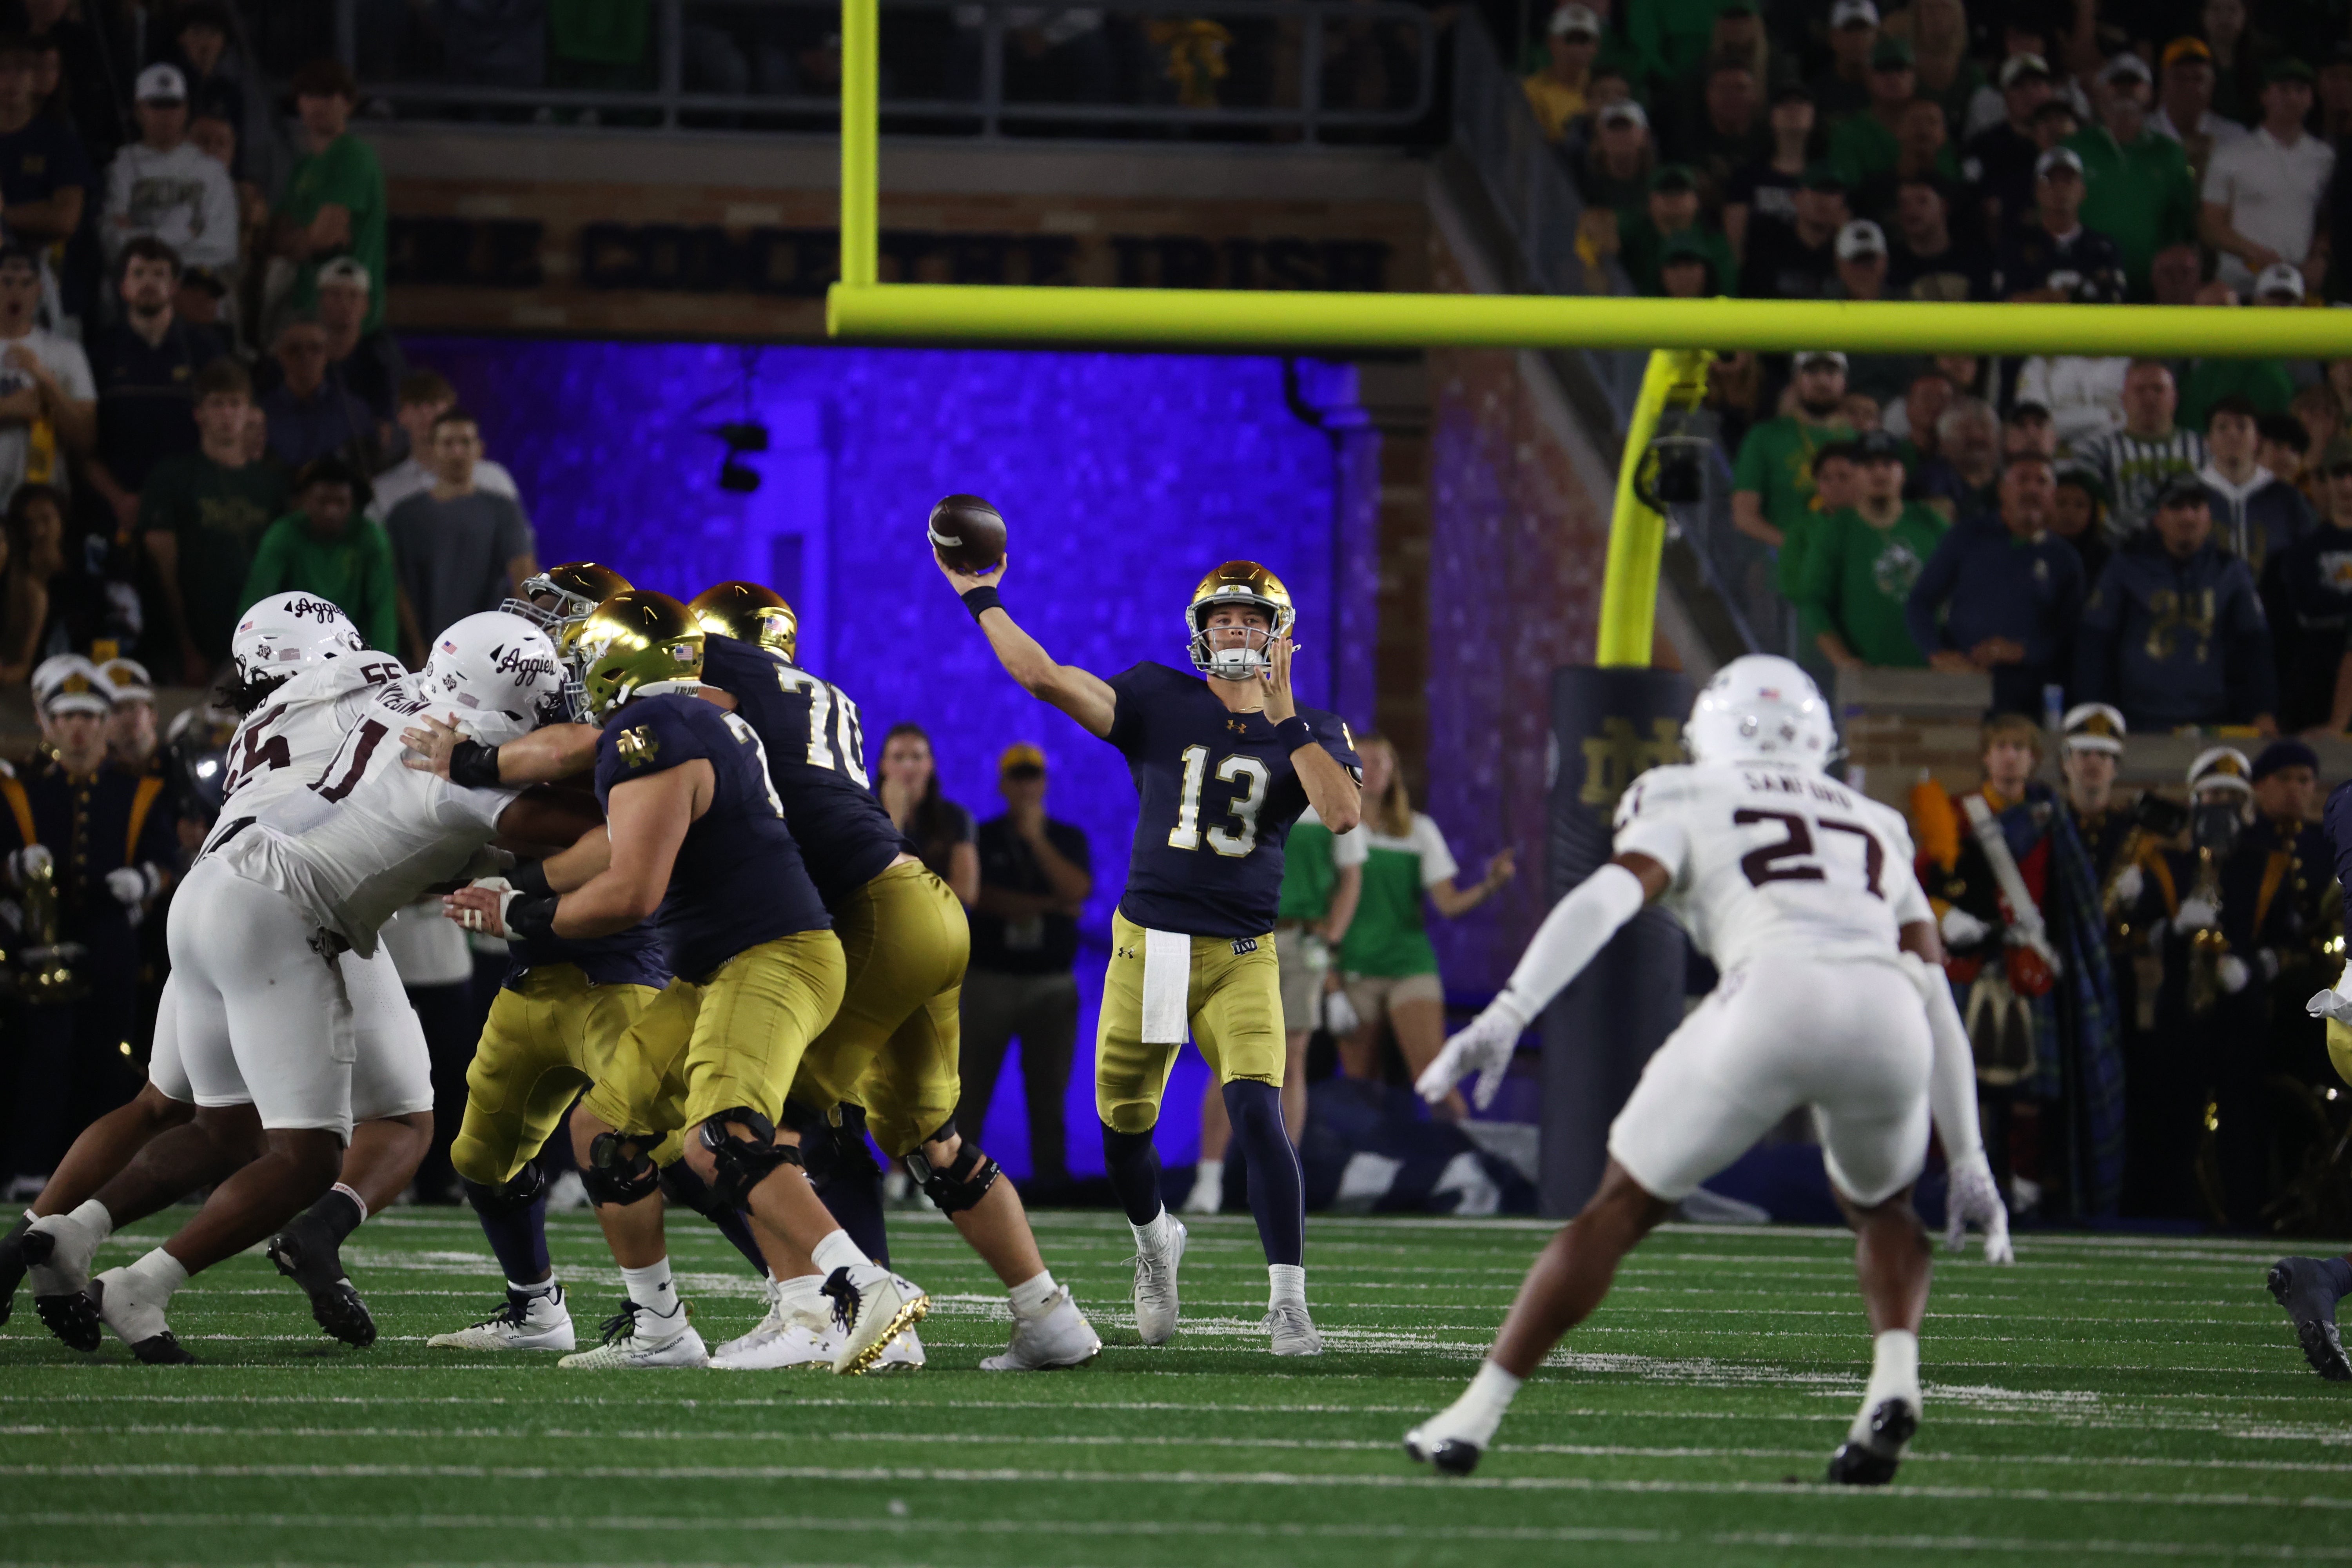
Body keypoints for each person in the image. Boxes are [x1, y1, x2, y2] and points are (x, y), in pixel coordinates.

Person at [1404, 656, 2009, 1482]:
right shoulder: (1874, 819)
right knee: (1883, 1207)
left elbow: (1609, 896)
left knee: (1617, 1207)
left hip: (1772, 995)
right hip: (1888, 1015)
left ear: (1708, 731)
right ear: (1819, 739)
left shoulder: (1682, 791)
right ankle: (1895, 1377)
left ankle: (1473, 1416)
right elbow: (1935, 988)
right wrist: (1968, 1153)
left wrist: (1512, 1007)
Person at [63, 613, 571, 1363]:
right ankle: (145, 1283)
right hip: (289, 910)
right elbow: (576, 828)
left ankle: (59, 1233)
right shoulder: (441, 748)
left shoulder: (371, 696)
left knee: (204, 1123)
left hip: (223, 882)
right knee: (308, 1154)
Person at [466, 592, 929, 1374]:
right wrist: (516, 887)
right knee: (605, 1129)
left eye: (587, 656)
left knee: (728, 1134)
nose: (578, 673)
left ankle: (859, 1288)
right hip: (717, 965)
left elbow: (629, 894)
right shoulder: (694, 722)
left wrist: (522, 920)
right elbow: (613, 846)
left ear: (619, 663)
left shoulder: (651, 732)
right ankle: (661, 1328)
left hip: (768, 955)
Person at [943, 554, 1362, 1356]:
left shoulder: (1314, 726)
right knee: (1124, 1130)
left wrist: (1286, 718)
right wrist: (980, 595)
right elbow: (1045, 678)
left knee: (1256, 1110)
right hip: (1152, 947)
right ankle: (1153, 1240)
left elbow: (1342, 813)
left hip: (1244, 951)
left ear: (1281, 637)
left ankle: (1288, 1302)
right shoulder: (1156, 696)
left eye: (1251, 621)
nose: (1235, 633)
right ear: (1199, 633)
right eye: (1222, 620)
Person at [0, 599, 419, 1349]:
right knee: (383, 1121)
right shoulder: (369, 684)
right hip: (297, 910)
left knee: (185, 1112)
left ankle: (49, 1234)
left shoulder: (256, 726)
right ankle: (165, 1278)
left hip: (206, 901)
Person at [1911, 711, 2124, 1221]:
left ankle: (2025, 1196)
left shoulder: (2051, 817)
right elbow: (1917, 888)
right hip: (1971, 964)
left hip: (2030, 965)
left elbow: (2073, 899)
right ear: (1987, 756)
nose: (2011, 756)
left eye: (2020, 748)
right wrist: (1946, 917)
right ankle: (1955, 1190)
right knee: (1962, 1085)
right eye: (2001, 747)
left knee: (2029, 1095)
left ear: (2034, 758)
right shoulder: (1960, 814)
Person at [0, 657, 176, 1201]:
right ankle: (32, 1163)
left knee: (109, 1052)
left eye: (90, 716)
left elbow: (167, 857)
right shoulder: (21, 790)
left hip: (112, 939)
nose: (78, 727)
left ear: (104, 723)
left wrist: (145, 879)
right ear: (47, 724)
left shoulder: (141, 789)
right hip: (42, 939)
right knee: (42, 1055)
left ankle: (105, 1168)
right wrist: (12, 869)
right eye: (66, 716)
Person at [1185, 780, 1362, 1216]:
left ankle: (1281, 1179)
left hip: (1300, 940)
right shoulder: (1246, 786)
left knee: (1292, 1056)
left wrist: (1331, 940)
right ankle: (1209, 1178)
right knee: (1230, 1053)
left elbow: (1351, 878)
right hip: (1245, 933)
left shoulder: (1330, 795)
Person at [1333, 733, 1513, 1114]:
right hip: (1353, 968)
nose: (1374, 770)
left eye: (1383, 762)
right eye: (1364, 760)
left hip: (1408, 964)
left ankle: (1463, 1158)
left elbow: (1448, 904)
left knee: (1432, 1075)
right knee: (1359, 1084)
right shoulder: (1330, 828)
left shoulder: (1419, 830)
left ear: (1395, 771)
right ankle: (1368, 1165)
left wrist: (1491, 885)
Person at [957, 742, 1093, 1198]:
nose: (1025, 785)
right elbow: (982, 898)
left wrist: (1037, 840)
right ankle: (956, 1175)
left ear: (1044, 783)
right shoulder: (983, 835)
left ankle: (1050, 1182)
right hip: (989, 979)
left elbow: (1080, 888)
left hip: (1050, 982)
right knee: (970, 1085)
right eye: (1017, 776)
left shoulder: (1066, 837)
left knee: (1049, 1089)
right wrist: (1054, 905)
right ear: (1003, 783)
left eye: (1032, 776)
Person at [2074, 475, 2278, 733]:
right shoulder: (2126, 566)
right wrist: (2093, 710)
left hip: (2214, 719)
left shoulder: (2231, 570)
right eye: (2177, 508)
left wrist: (2263, 710)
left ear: (2208, 517)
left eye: (2196, 507)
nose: (2188, 517)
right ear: (2158, 518)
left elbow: (2256, 645)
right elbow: (2094, 642)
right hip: (2138, 719)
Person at [140, 359, 287, 685]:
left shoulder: (272, 486)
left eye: (235, 404)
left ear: (249, 412)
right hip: (193, 634)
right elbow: (163, 568)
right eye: (217, 404)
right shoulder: (173, 478)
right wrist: (186, 647)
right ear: (199, 414)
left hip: (258, 638)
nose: (226, 414)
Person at [1904, 453, 2085, 717]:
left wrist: (2023, 651)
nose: (2032, 489)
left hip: (2031, 699)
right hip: (1964, 690)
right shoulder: (1967, 536)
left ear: (2053, 495)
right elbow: (1919, 602)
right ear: (2003, 490)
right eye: (2023, 480)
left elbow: (2071, 635)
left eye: (2042, 482)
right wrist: (1936, 653)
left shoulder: (2065, 559)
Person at [83, 239, 227, 540]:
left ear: (174, 287)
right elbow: (83, 446)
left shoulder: (204, 350)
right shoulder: (100, 354)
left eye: (159, 274)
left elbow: (226, 430)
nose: (149, 282)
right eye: (139, 274)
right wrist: (120, 499)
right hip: (119, 508)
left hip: (191, 506)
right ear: (123, 287)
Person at [383, 407, 537, 664]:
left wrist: (518, 643)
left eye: (465, 442)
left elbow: (524, 577)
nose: (457, 452)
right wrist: (419, 650)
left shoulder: (502, 509)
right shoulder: (403, 517)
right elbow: (396, 591)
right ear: (432, 450)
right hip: (423, 655)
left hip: (492, 652)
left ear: (480, 448)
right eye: (448, 443)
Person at [1802, 428, 1949, 670]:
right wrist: (1843, 660)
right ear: (1856, 474)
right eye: (1869, 465)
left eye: (1888, 464)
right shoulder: (1837, 530)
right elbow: (1814, 601)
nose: (1879, 472)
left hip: (1931, 673)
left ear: (1902, 472)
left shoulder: (1931, 523)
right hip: (1865, 676)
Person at [2066, 54, 2200, 301]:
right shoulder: (2075, 148)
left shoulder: (2170, 152)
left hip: (2154, 292)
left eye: (2134, 85)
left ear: (2150, 93)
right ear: (2100, 91)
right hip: (2087, 289)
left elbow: (2183, 224)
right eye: (2117, 84)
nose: (2125, 92)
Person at [270, 59, 387, 337]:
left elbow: (327, 235)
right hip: (307, 312)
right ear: (299, 103)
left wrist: (302, 239)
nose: (317, 105)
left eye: (327, 95)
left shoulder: (352, 156)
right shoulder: (303, 167)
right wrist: (302, 239)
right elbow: (276, 235)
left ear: (348, 103)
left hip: (349, 321)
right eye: (309, 96)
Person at [2201, 58, 2334, 297]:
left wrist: (2320, 256)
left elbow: (2330, 219)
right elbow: (2211, 222)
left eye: (2301, 90)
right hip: (2239, 286)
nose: (2292, 97)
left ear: (2311, 99)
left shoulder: (2324, 159)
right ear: (2264, 96)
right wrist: (2251, 252)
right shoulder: (2231, 154)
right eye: (2283, 90)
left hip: (2296, 288)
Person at [1729, 349, 1855, 602]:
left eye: (1831, 372)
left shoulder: (1858, 440)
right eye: (1812, 372)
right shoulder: (1765, 437)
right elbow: (1743, 515)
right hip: (1781, 583)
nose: (1822, 381)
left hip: (1847, 582)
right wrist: (1795, 546)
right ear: (1796, 380)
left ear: (1845, 382)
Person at [240, 458, 398, 653]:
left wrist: (383, 660)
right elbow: (258, 598)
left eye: (341, 503)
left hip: (354, 650)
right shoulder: (284, 535)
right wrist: (248, 649)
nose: (331, 511)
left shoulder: (370, 538)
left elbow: (382, 608)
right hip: (292, 649)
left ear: (353, 504)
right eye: (323, 502)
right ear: (304, 501)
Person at [99, 64, 238, 277]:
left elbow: (223, 245)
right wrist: (183, 234)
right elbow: (112, 242)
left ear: (186, 110)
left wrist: (141, 238)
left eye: (173, 105)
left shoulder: (211, 171)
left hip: (198, 284)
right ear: (138, 111)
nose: (166, 115)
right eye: (157, 105)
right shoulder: (121, 167)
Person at [2267, 437, 2352, 733]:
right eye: (2340, 475)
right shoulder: (2303, 552)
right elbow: (2307, 608)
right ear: (2325, 481)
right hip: (2316, 683)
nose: (2348, 486)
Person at [0, 243, 93, 511]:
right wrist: (9, 407)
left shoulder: (65, 353)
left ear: (40, 290)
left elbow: (86, 440)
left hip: (43, 504)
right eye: (6, 282)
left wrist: (47, 385)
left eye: (25, 283)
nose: (15, 293)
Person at [2073, 361, 2209, 539]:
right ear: (2123, 399)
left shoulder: (2204, 449)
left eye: (2158, 390)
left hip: (2188, 549)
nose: (2149, 398)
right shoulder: (2095, 450)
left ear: (2175, 398)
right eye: (2140, 390)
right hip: (2120, 551)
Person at [369, 371, 527, 519]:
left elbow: (520, 542)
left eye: (433, 404)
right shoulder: (384, 490)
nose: (425, 412)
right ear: (401, 417)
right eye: (416, 405)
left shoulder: (492, 479)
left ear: (450, 410)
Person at [2200, 393, 2314, 580]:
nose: (2233, 434)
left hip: (2274, 605)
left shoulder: (2287, 499)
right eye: (2222, 427)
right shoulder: (2191, 498)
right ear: (2208, 441)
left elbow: (2308, 560)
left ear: (2257, 440)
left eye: (2242, 426)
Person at [876, 720, 978, 906]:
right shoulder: (863, 816)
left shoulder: (956, 817)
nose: (908, 766)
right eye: (898, 757)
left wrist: (906, 889)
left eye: (917, 757)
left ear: (930, 764)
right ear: (884, 765)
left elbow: (966, 892)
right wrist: (895, 820)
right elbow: (874, 887)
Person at [257, 316, 375, 472]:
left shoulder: (354, 412)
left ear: (328, 353)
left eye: (315, 349)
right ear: (280, 354)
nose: (305, 356)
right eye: (294, 349)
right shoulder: (261, 415)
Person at [1737, 164, 1847, 300]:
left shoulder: (1852, 252)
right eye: (1814, 190)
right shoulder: (1768, 245)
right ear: (1796, 198)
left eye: (1831, 192)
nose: (1822, 199)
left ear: (1843, 202)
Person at [1521, 3, 1599, 143]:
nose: (1577, 49)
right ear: (1552, 43)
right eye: (1570, 39)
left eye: (1584, 40)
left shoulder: (1599, 88)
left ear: (1595, 47)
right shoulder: (1531, 91)